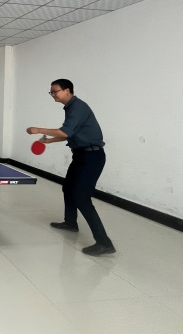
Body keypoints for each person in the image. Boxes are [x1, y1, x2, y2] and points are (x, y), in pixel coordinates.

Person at [26, 79, 115, 256]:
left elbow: (65, 131)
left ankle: (104, 243)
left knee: (82, 198)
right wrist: (49, 141)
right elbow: (69, 134)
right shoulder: (70, 107)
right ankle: (70, 223)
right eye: (51, 92)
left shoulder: (78, 107)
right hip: (81, 155)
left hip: (92, 157)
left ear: (67, 90)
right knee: (68, 188)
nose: (52, 94)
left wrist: (38, 129)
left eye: (55, 91)